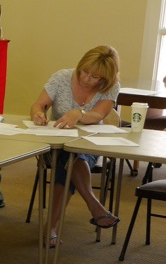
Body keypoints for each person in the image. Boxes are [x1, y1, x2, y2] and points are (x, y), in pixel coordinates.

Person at [30, 45, 122, 247]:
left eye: (94, 77)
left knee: (70, 159)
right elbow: (39, 105)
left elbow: (98, 115)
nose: (86, 78)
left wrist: (80, 114)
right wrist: (38, 114)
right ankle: (94, 205)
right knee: (68, 158)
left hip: (88, 145)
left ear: (105, 79)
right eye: (84, 71)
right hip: (54, 144)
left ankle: (50, 228)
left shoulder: (112, 87)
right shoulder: (61, 77)